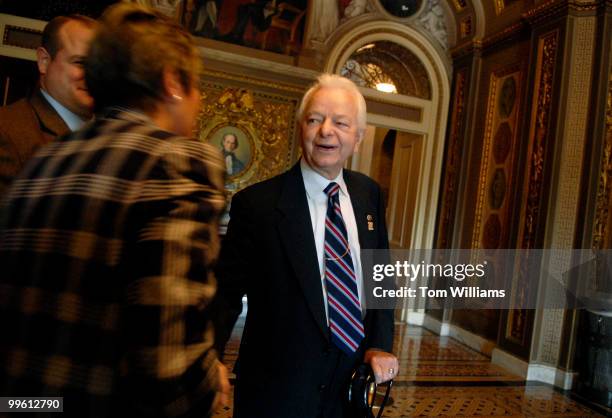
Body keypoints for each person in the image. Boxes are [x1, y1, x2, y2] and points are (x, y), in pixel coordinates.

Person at [0, 4, 229, 417]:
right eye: (199, 85)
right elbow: (169, 368)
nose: (200, 101)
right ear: (173, 82)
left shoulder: (43, 163)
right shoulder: (175, 161)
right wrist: (207, 388)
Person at [214, 74, 399, 418]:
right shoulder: (257, 205)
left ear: (358, 138)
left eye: (341, 123)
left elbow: (380, 276)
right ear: (301, 128)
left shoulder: (368, 194)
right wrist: (211, 358)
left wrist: (379, 344)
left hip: (350, 386)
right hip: (277, 392)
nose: (326, 130)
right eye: (315, 119)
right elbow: (224, 293)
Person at [0, 14, 96, 196]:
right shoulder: (7, 131)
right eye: (80, 63)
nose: (93, 75)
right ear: (44, 61)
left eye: (99, 66)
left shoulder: (112, 135)